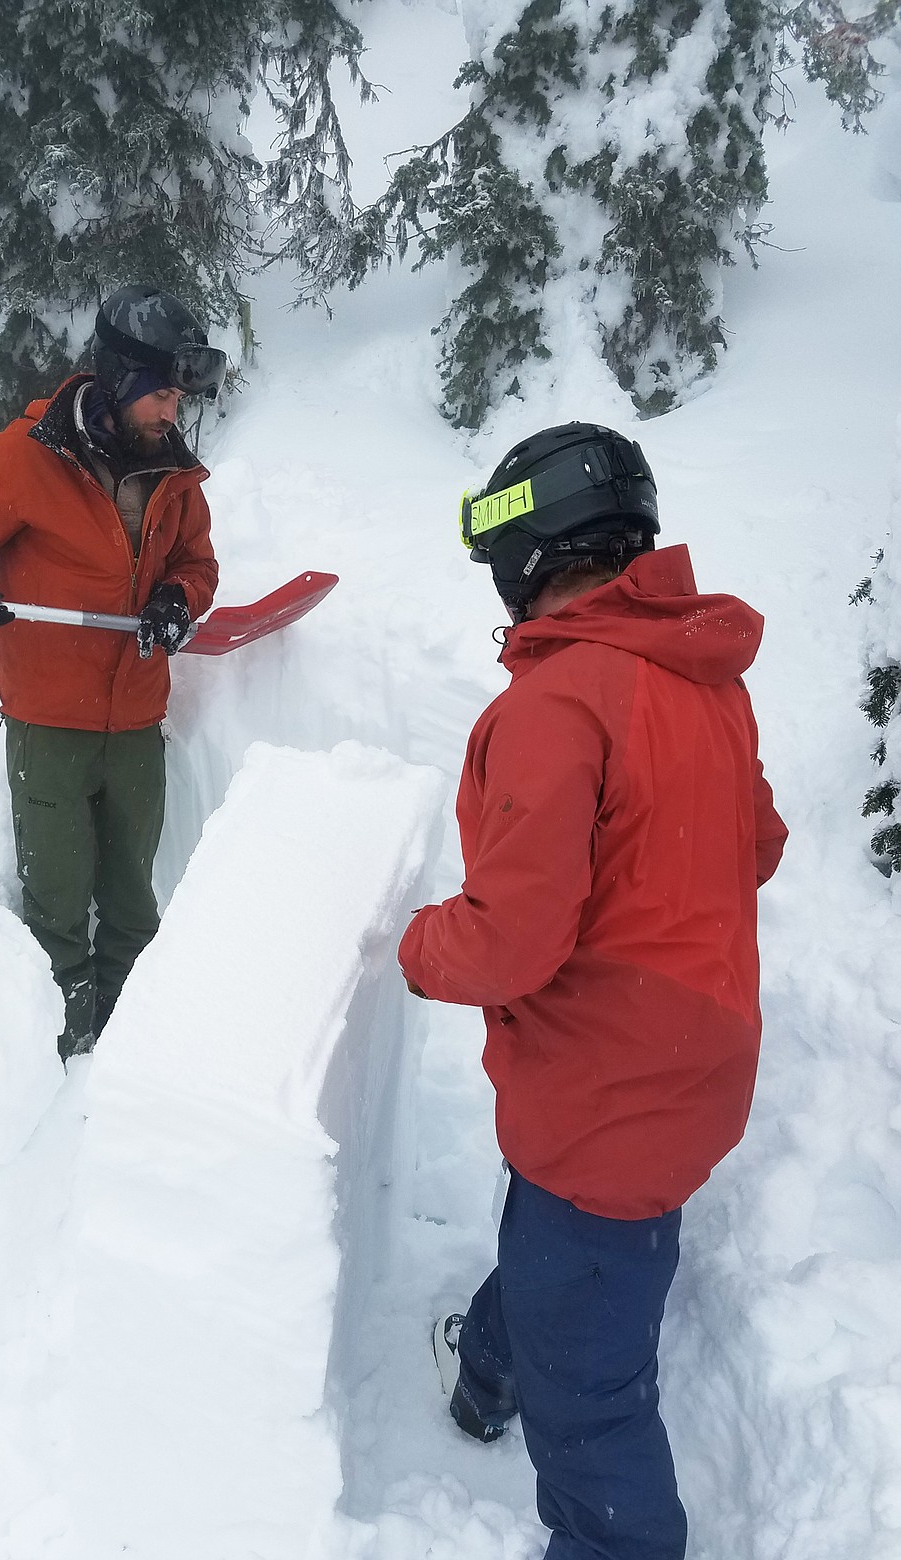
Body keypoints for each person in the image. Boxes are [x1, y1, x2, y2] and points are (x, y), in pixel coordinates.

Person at [398, 423, 787, 1559]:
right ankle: (486, 1374)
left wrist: (414, 947)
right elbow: (754, 844)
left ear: (531, 551)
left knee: (597, 1405)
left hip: (609, 1090)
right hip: (689, 1064)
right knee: (563, 1244)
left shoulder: (555, 705)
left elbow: (509, 943)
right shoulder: (698, 675)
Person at [0, 284, 226, 1062]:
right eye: (158, 393)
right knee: (56, 904)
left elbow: (198, 563)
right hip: (48, 721)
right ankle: (61, 1049)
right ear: (118, 381)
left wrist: (177, 602)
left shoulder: (173, 474)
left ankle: (129, 1048)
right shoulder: (27, 457)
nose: (171, 412)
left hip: (136, 724)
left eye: (177, 397)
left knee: (129, 905)